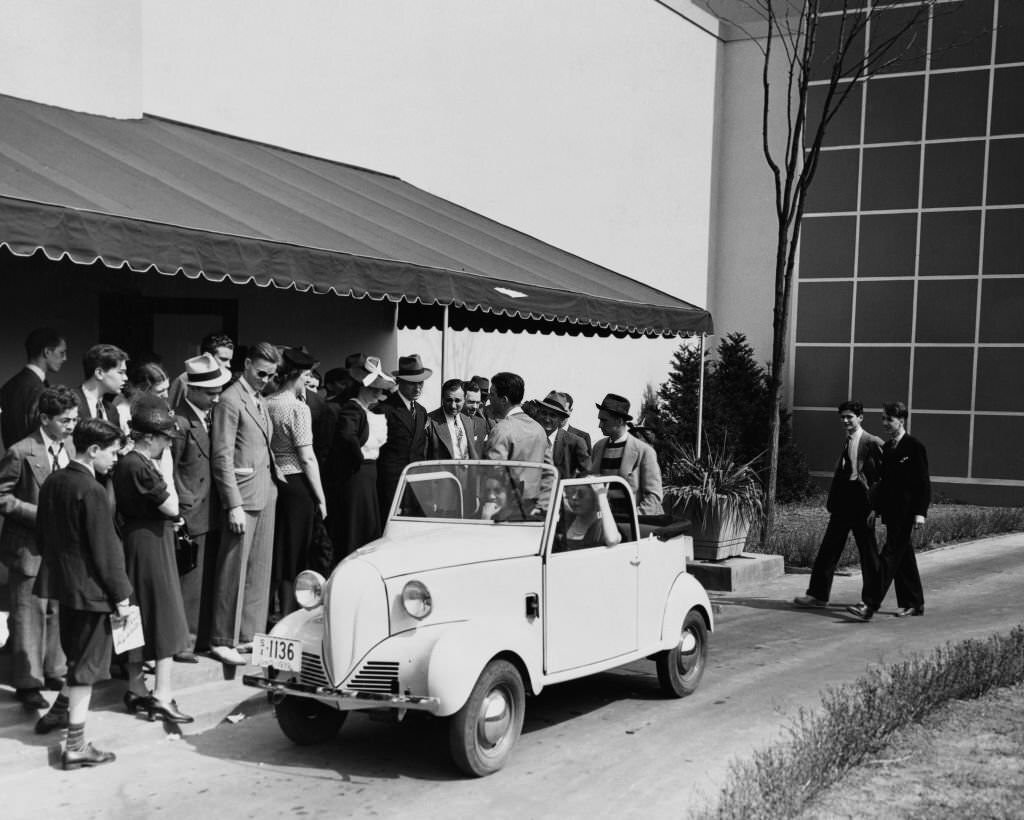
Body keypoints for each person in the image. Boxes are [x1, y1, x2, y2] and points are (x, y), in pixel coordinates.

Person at [33, 418, 132, 769]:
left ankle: (57, 714)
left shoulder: (54, 481)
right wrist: (121, 596)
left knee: (76, 655)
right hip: (92, 591)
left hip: (63, 584)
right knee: (86, 668)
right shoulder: (91, 490)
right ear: (93, 450)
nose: (115, 460)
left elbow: (42, 535)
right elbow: (106, 551)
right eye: (112, 453)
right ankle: (75, 745)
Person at [113, 397, 193, 724]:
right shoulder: (142, 465)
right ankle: (162, 693)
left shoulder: (126, 462)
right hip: (152, 544)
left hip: (136, 541)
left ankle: (136, 687)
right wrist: (168, 471)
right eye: (165, 438)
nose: (167, 443)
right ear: (149, 437)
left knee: (137, 615)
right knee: (165, 617)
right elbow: (172, 507)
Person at [0, 386, 77, 710]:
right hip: (28, 546)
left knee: (56, 607)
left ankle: (54, 668)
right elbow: (2, 497)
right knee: (27, 612)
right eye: (64, 420)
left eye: (74, 419)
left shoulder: (72, 446)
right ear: (45, 419)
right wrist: (38, 514)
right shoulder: (21, 451)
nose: (71, 426)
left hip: (60, 546)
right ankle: (27, 680)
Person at [209, 342, 284, 666]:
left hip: (265, 491)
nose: (265, 379)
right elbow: (222, 455)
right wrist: (232, 503)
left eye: (270, 375)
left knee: (259, 569)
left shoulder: (258, 399)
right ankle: (223, 637)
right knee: (233, 567)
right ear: (247, 364)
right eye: (260, 372)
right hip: (242, 493)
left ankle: (249, 635)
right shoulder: (230, 399)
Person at [794, 401, 883, 610]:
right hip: (844, 502)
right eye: (842, 417)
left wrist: (876, 507)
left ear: (860, 417)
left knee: (868, 553)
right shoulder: (848, 440)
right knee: (828, 549)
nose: (845, 421)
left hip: (863, 503)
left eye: (849, 417)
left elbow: (883, 477)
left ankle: (871, 600)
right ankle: (817, 595)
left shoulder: (872, 442)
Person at [170, 353, 230, 661]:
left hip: (210, 511)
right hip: (191, 511)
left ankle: (200, 637)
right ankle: (184, 642)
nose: (216, 397)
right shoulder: (179, 422)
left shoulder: (207, 416)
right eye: (210, 392)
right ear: (191, 389)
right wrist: (181, 506)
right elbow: (171, 468)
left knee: (206, 579)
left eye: (218, 391)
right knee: (189, 583)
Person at [848, 401, 931, 621]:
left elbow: (923, 483)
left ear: (901, 420)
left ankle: (870, 605)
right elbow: (884, 484)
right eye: (883, 419)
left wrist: (920, 513)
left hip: (906, 513)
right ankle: (914, 603)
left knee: (889, 556)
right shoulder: (888, 448)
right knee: (904, 559)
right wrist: (875, 509)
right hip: (891, 512)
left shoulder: (914, 446)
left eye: (889, 419)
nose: (884, 423)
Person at [266, 347, 327, 615]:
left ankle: (269, 609)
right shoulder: (298, 408)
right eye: (307, 375)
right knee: (295, 553)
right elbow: (307, 457)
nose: (308, 380)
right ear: (298, 375)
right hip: (298, 483)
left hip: (273, 481)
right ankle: (289, 612)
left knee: (276, 549)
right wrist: (321, 497)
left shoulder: (266, 402)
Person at [324, 356, 396, 559]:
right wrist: (357, 459)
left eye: (379, 388)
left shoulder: (366, 409)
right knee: (355, 526)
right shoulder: (352, 407)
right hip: (357, 474)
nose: (378, 392)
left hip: (369, 475)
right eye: (373, 387)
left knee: (368, 525)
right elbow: (346, 436)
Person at [590, 393, 663, 516]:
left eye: (604, 420)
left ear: (619, 420)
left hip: (635, 526)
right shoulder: (598, 447)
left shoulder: (644, 452)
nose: (600, 425)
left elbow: (654, 497)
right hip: (603, 525)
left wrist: (632, 520)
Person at [377, 354, 431, 518]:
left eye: (420, 383)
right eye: (412, 383)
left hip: (416, 484)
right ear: (399, 382)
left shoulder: (421, 411)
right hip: (391, 484)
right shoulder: (384, 409)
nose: (417, 388)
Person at [485, 372, 549, 505]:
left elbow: (493, 473)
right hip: (536, 506)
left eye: (492, 394)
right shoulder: (539, 429)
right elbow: (549, 473)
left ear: (504, 400)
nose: (488, 398)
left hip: (507, 508)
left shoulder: (501, 429)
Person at [0, 327, 67, 448]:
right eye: (61, 353)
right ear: (47, 352)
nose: (64, 358)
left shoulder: (9, 386)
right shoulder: (37, 389)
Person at [167, 333, 235, 407]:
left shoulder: (228, 381)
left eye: (230, 360)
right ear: (207, 356)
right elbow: (172, 412)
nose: (229, 365)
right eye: (223, 359)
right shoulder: (183, 381)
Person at [536, 391, 589, 479]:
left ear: (561, 418)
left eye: (552, 415)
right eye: (544, 413)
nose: (547, 419)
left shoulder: (575, 442)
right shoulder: (529, 438)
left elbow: (588, 474)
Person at [554, 483, 622, 551]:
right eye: (570, 494)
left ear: (595, 496)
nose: (574, 497)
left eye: (581, 494)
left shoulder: (604, 526)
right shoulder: (566, 518)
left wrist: (601, 494)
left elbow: (612, 540)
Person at [72, 344, 128, 424]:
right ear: (99, 373)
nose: (126, 378)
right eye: (120, 372)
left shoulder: (112, 411)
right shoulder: (70, 401)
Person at [425, 379, 479, 460]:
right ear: (442, 399)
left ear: (464, 399)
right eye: (449, 400)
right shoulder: (429, 421)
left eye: (457, 400)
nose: (453, 406)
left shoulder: (468, 421)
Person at [113, 362, 170, 434]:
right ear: (141, 390)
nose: (166, 395)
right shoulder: (123, 414)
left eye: (167, 389)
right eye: (160, 391)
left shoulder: (154, 405)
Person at [460, 380, 490, 455]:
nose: (475, 407)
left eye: (477, 402)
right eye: (471, 402)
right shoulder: (448, 422)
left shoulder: (482, 423)